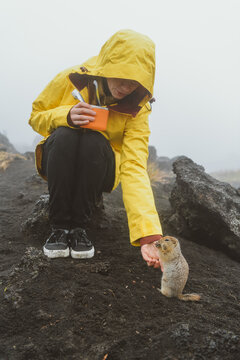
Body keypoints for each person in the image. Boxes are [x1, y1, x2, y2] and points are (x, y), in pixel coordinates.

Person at [29, 29, 163, 268]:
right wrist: (65, 115)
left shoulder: (138, 108)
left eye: (134, 82)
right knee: (65, 135)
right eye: (121, 77)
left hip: (100, 166)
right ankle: (59, 227)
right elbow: (36, 116)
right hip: (60, 155)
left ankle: (79, 227)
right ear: (108, 66)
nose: (125, 87)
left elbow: (133, 165)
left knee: (94, 141)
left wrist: (149, 235)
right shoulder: (71, 78)